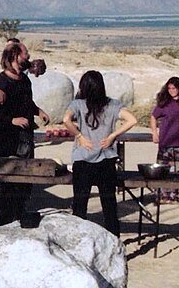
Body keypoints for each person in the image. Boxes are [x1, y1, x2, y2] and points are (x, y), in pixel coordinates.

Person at [63, 70, 137, 236]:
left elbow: (66, 120)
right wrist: (112, 136)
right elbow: (132, 120)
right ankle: (114, 242)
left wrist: (79, 136)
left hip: (83, 160)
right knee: (109, 206)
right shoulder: (113, 105)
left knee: (80, 206)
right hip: (106, 160)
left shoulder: (78, 104)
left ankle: (78, 242)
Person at [0, 41, 50, 226]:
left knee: (26, 179)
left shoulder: (24, 80)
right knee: (10, 179)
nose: (28, 57)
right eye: (25, 53)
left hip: (25, 138)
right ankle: (6, 219)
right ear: (15, 56)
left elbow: (26, 102)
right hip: (7, 139)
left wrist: (38, 111)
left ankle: (19, 215)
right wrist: (11, 120)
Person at [149, 76, 179, 204]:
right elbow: (153, 117)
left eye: (174, 88)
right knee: (165, 171)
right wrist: (155, 133)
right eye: (169, 88)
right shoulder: (164, 103)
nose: (171, 91)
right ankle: (165, 197)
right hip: (166, 143)